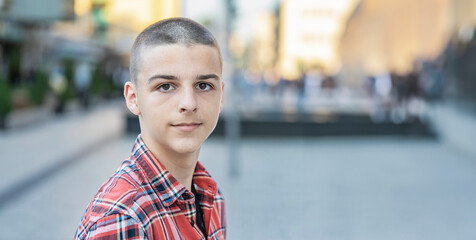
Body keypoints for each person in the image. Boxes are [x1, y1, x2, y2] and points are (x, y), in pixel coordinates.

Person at [74, 17, 226, 240]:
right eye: (165, 86)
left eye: (204, 85)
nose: (189, 103)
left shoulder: (210, 195)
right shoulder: (122, 219)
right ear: (133, 99)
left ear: (221, 95)